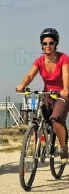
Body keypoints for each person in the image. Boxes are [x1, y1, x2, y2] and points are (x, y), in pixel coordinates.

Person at [16, 28, 69, 163]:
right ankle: (37, 147)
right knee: (38, 120)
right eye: (45, 43)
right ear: (41, 45)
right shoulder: (39, 61)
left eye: (51, 43)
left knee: (56, 121)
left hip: (61, 94)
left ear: (56, 44)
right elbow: (30, 75)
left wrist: (65, 88)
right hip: (47, 93)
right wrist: (22, 85)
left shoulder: (63, 58)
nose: (48, 46)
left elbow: (66, 75)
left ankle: (63, 148)